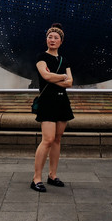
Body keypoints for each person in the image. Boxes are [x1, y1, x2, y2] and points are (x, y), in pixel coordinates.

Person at [31, 23, 74, 192]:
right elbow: (45, 76)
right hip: (47, 102)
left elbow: (70, 83)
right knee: (47, 139)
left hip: (62, 101)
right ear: (46, 40)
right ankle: (36, 179)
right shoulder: (41, 57)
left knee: (57, 139)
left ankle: (52, 175)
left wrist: (57, 77)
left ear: (61, 41)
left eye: (56, 38)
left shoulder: (65, 60)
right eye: (50, 37)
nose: (52, 40)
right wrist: (62, 77)